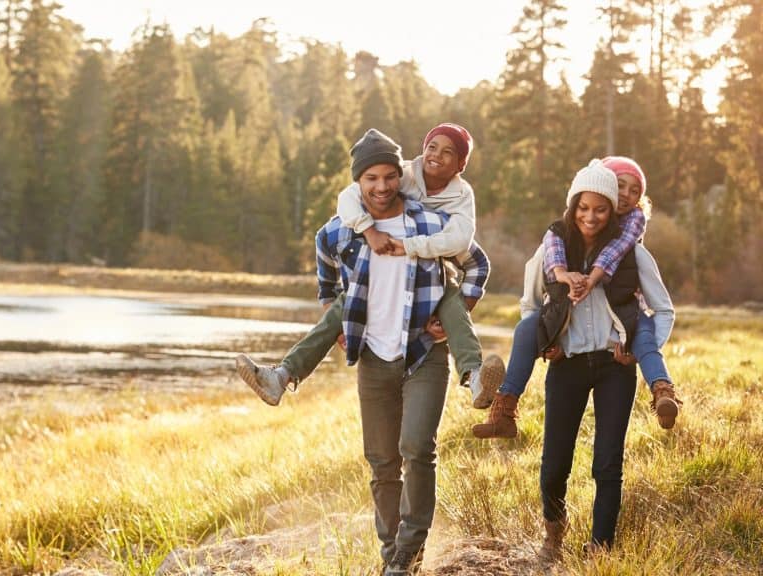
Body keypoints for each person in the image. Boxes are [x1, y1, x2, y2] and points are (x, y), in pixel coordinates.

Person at [310, 129, 490, 574]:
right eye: (371, 178)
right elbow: (326, 271)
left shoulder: (431, 222)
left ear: (399, 177)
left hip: (423, 351)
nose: (382, 186)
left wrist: (454, 314)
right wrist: (336, 315)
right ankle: (393, 555)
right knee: (382, 462)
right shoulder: (342, 230)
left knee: (416, 448)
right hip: (373, 354)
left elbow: (476, 262)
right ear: (359, 181)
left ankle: (409, 550)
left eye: (389, 176)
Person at [236, 123, 503, 410]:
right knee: (345, 303)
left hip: (434, 273)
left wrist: (457, 309)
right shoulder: (400, 175)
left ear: (461, 164)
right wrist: (368, 230)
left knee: (452, 301)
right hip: (381, 274)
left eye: (448, 152)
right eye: (431, 147)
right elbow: (349, 197)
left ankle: (475, 377)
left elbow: (465, 243)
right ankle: (281, 377)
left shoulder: (461, 197)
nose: (435, 155)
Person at [516, 160, 675, 558]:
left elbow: (664, 311)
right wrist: (545, 342)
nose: (591, 215)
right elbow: (528, 305)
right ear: (574, 206)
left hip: (613, 368)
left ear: (610, 211)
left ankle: (601, 547)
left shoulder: (632, 254)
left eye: (601, 208)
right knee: (554, 462)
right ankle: (554, 533)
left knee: (607, 463)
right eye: (584, 207)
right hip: (566, 365)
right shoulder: (552, 249)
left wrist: (638, 348)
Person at [472, 156, 681, 439]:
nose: (627, 196)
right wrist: (548, 339)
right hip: (569, 345)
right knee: (526, 328)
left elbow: (617, 254)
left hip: (624, 320)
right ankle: (505, 406)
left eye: (635, 192)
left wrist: (591, 279)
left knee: (644, 335)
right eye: (620, 186)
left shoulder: (631, 234)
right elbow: (534, 293)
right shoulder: (559, 235)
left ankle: (662, 390)